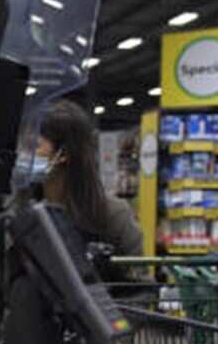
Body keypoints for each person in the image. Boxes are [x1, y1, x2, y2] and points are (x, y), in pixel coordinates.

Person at [33, 99, 143, 256]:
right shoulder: (24, 213)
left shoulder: (113, 215)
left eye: (35, 145)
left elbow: (138, 278)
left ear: (63, 154)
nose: (25, 153)